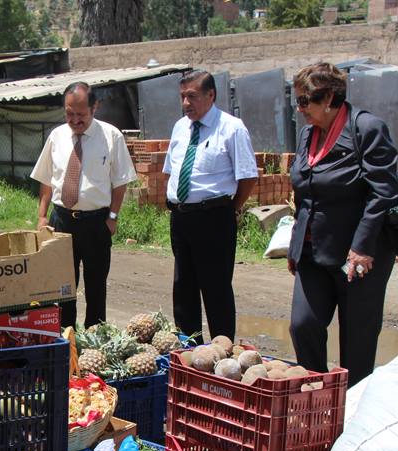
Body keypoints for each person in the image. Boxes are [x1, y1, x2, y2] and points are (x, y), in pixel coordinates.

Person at [287, 62, 398, 387]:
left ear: (330, 98)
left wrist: (362, 247)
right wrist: (296, 245)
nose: (300, 109)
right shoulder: (307, 134)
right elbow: (304, 192)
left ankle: (352, 416)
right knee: (303, 325)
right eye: (297, 101)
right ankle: (317, 397)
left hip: (358, 256)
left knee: (357, 344)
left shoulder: (366, 128)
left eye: (305, 101)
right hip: (313, 252)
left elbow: (383, 191)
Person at [30, 82, 137, 329]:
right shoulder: (56, 136)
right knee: (63, 286)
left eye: (81, 114)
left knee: (95, 286)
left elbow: (120, 182)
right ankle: (67, 338)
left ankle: (95, 337)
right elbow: (46, 179)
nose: (75, 120)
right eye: (69, 113)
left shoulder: (111, 136)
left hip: (96, 223)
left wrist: (112, 217)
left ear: (94, 107)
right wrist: (42, 216)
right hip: (61, 221)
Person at [163, 70, 258, 344]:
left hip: (214, 217)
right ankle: (189, 348)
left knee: (216, 289)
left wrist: (233, 209)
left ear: (211, 95)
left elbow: (248, 176)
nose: (185, 103)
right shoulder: (181, 127)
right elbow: (171, 169)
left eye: (191, 96)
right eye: (182, 97)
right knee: (183, 288)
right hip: (181, 218)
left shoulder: (231, 128)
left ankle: (221, 352)